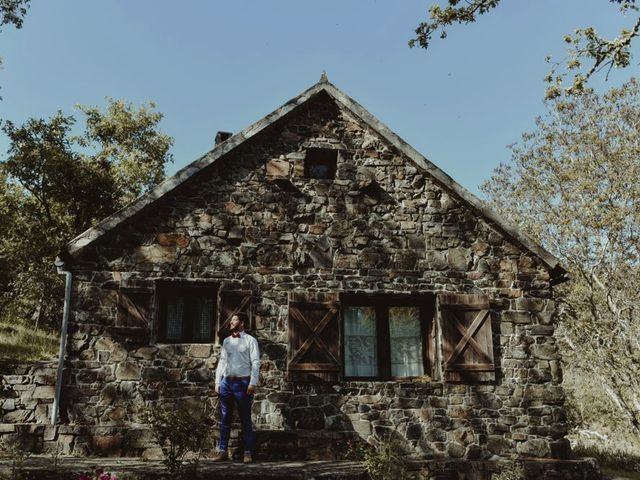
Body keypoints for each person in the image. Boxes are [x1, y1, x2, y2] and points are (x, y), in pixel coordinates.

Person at [212, 313, 260, 463]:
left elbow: (256, 362)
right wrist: (217, 382)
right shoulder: (227, 341)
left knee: (245, 418)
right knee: (225, 418)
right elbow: (222, 362)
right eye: (231, 320)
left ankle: (247, 452)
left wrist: (253, 382)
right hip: (226, 383)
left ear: (242, 322)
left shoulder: (250, 340)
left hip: (243, 383)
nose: (231, 322)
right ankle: (222, 451)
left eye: (234, 320)